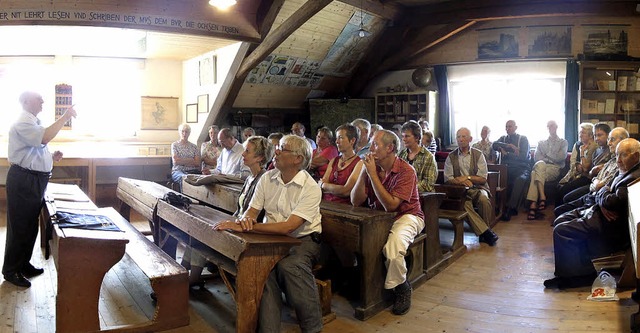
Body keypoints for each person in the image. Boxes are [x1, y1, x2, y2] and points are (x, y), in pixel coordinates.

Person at [215, 134, 323, 332]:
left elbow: (288, 227)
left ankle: (313, 328)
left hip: (303, 240)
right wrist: (245, 220)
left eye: (283, 148)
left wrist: (249, 226)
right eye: (278, 146)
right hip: (271, 238)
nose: (277, 151)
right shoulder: (268, 178)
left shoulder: (310, 187)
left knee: (290, 266)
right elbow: (252, 211)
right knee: (261, 270)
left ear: (298, 159)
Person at [3, 91, 77, 288]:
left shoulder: (34, 121)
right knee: (20, 226)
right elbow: (43, 138)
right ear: (26, 101)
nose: (43, 101)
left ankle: (23, 264)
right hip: (24, 180)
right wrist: (65, 116)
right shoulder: (22, 121)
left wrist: (51, 158)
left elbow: (34, 150)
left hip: (33, 180)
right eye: (39, 98)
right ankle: (10, 270)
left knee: (29, 226)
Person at [544, 138, 640, 289]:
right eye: (617, 155)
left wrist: (602, 192)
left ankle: (579, 276)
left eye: (624, 155)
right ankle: (576, 270)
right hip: (599, 212)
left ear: (636, 156)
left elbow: (612, 201)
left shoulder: (634, 176)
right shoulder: (626, 169)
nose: (619, 160)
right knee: (560, 219)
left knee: (561, 230)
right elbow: (605, 190)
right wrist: (603, 194)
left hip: (611, 226)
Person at [351, 129, 424, 316]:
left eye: (375, 144)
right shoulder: (373, 168)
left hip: (407, 216)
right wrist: (364, 173)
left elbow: (391, 206)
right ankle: (360, 282)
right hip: (378, 218)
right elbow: (355, 201)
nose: (370, 148)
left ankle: (402, 287)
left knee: (393, 249)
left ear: (390, 148)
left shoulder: (406, 171)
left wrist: (373, 176)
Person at [184, 136, 274, 286]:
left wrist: (232, 223)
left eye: (247, 151)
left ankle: (192, 277)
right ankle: (183, 271)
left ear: (259, 157)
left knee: (204, 232)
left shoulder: (263, 179)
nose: (243, 154)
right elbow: (240, 210)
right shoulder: (251, 178)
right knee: (198, 228)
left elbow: (255, 216)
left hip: (248, 230)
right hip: (238, 222)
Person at [554, 127, 629, 218]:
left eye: (612, 139)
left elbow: (595, 178)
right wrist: (595, 180)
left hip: (595, 192)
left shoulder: (621, 162)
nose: (609, 143)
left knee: (564, 205)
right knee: (560, 203)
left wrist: (595, 181)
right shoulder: (609, 157)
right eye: (595, 135)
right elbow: (594, 176)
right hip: (592, 187)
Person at [444, 127, 499, 246]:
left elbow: (483, 178)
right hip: (460, 191)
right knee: (464, 204)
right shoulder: (451, 156)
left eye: (463, 136)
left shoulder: (478, 154)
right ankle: (486, 233)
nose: (460, 139)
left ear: (470, 139)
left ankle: (484, 232)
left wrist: (467, 178)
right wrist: (460, 182)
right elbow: (448, 178)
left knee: (484, 199)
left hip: (478, 188)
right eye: (458, 137)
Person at [525, 120, 568, 220]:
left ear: (556, 127)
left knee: (534, 173)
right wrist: (551, 157)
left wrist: (546, 156)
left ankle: (533, 204)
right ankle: (542, 198)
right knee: (539, 165)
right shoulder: (541, 142)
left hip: (554, 168)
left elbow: (561, 158)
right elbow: (537, 158)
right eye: (548, 126)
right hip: (542, 166)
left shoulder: (563, 142)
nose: (550, 128)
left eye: (552, 126)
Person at [560, 123, 612, 204]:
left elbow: (586, 169)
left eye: (600, 135)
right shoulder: (596, 150)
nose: (597, 138)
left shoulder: (610, 150)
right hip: (590, 179)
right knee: (563, 190)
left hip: (598, 184)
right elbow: (588, 170)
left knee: (567, 195)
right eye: (595, 135)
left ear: (608, 135)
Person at [493, 120, 531, 221]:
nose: (507, 129)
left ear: (515, 127)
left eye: (510, 126)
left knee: (520, 179)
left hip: (522, 168)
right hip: (506, 168)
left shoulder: (523, 139)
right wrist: (509, 147)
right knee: (495, 178)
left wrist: (507, 154)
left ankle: (510, 208)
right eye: (506, 127)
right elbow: (494, 145)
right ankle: (496, 206)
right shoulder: (503, 138)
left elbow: (523, 156)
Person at [319, 123, 363, 204]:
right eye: (336, 138)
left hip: (346, 208)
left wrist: (324, 185)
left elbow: (346, 191)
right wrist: (327, 186)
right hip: (326, 204)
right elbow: (322, 185)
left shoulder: (359, 163)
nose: (337, 141)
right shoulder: (334, 160)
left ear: (352, 140)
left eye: (341, 138)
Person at [556, 123, 598, 206]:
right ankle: (558, 213)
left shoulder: (594, 147)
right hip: (574, 173)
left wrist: (581, 156)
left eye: (583, 133)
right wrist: (576, 167)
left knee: (564, 189)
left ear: (590, 135)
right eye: (580, 133)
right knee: (559, 187)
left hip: (586, 177)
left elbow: (586, 168)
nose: (580, 135)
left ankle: (562, 212)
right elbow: (573, 162)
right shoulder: (577, 144)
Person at [398, 120, 437, 192]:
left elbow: (428, 184)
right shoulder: (401, 154)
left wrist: (408, 188)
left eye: (407, 136)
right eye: (403, 136)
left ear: (417, 137)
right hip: (403, 194)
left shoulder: (428, 157)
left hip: (422, 197)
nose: (403, 139)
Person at [171, 123, 201, 192]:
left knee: (202, 180)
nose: (184, 133)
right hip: (178, 171)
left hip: (193, 171)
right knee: (185, 178)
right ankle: (185, 199)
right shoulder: (175, 145)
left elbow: (197, 163)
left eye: (186, 132)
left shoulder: (194, 147)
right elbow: (176, 161)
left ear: (189, 133)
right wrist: (191, 160)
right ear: (179, 132)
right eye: (182, 131)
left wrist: (182, 161)